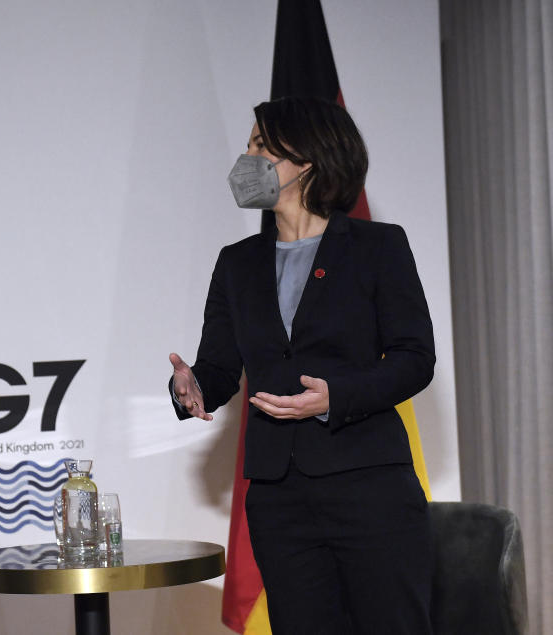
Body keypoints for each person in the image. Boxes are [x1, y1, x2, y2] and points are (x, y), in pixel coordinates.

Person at [168, 96, 435, 634]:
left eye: (261, 145)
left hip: (370, 487)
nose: (247, 157)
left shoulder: (378, 246)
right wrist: (192, 387)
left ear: (308, 159)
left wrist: (338, 396)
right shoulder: (237, 262)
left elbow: (414, 359)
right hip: (278, 497)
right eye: (249, 144)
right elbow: (220, 367)